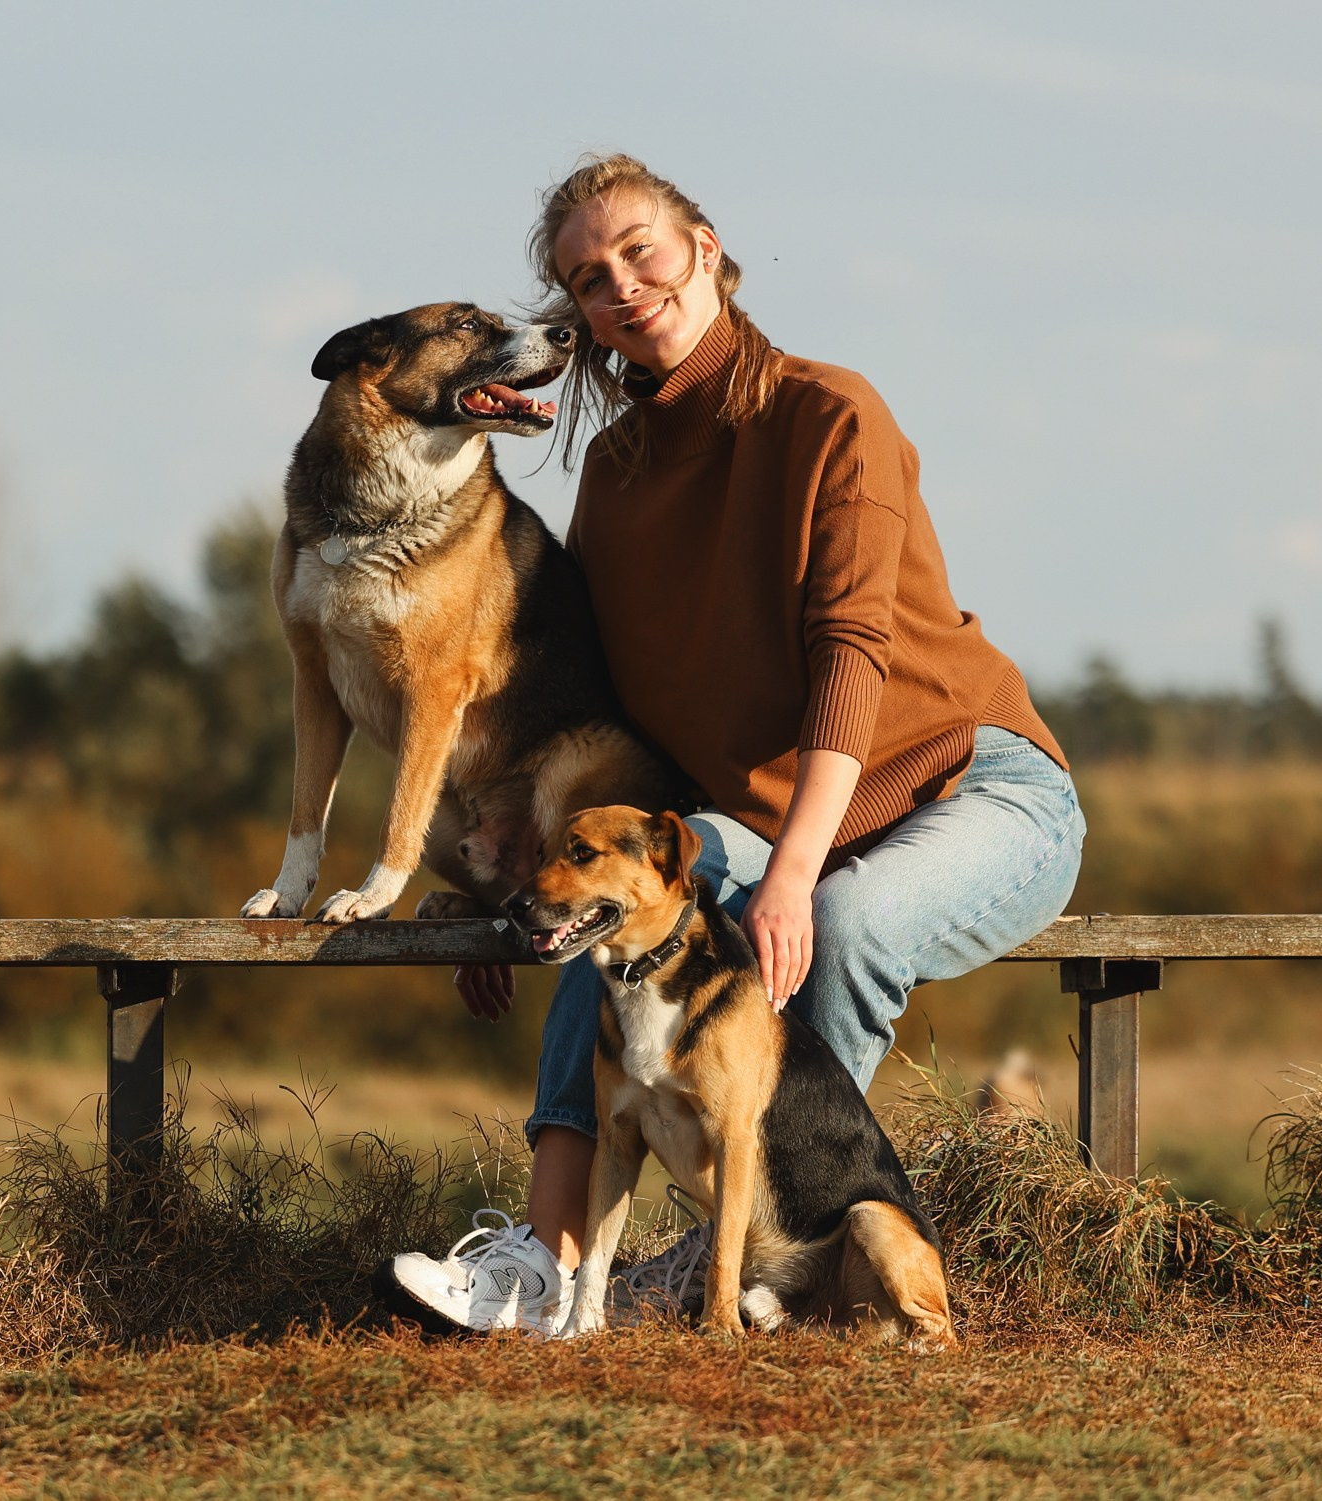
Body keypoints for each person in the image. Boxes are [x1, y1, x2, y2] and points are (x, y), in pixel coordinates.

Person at [381, 155, 1085, 1335]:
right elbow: (565, 697)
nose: (621, 284)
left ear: (704, 245)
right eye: (588, 277)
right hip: (769, 818)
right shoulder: (613, 474)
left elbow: (852, 655)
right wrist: (493, 874)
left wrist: (799, 875)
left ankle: (769, 1259)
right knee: (606, 892)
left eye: (640, 248)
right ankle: (543, 1269)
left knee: (849, 927)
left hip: (969, 784)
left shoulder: (831, 412)